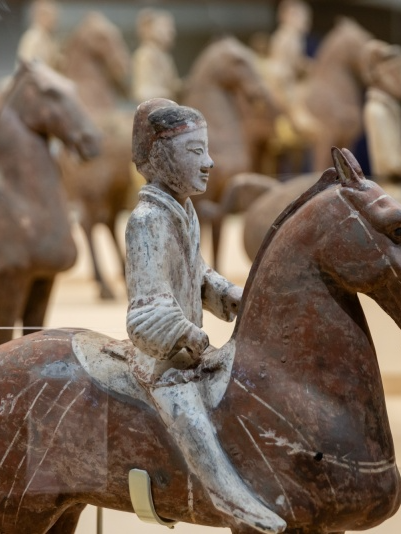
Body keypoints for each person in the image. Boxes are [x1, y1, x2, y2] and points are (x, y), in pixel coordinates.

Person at [125, 98, 286, 534]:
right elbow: (143, 312)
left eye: (207, 149)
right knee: (188, 416)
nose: (210, 162)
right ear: (160, 158)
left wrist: (235, 295)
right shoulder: (147, 220)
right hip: (164, 364)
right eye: (195, 152)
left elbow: (196, 273)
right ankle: (230, 498)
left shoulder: (183, 210)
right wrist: (185, 334)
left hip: (189, 350)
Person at [361, 40, 401, 182]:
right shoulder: (378, 111)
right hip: (392, 190)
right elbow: (392, 165)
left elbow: (392, 140)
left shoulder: (387, 109)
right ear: (388, 76)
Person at [131, 9, 181, 102]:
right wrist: (169, 93)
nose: (172, 31)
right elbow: (144, 92)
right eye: (165, 26)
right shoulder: (145, 55)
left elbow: (173, 84)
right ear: (149, 29)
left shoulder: (165, 57)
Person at [17, 0, 61, 69]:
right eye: (53, 17)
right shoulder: (33, 38)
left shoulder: (46, 38)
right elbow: (27, 66)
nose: (55, 21)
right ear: (42, 16)